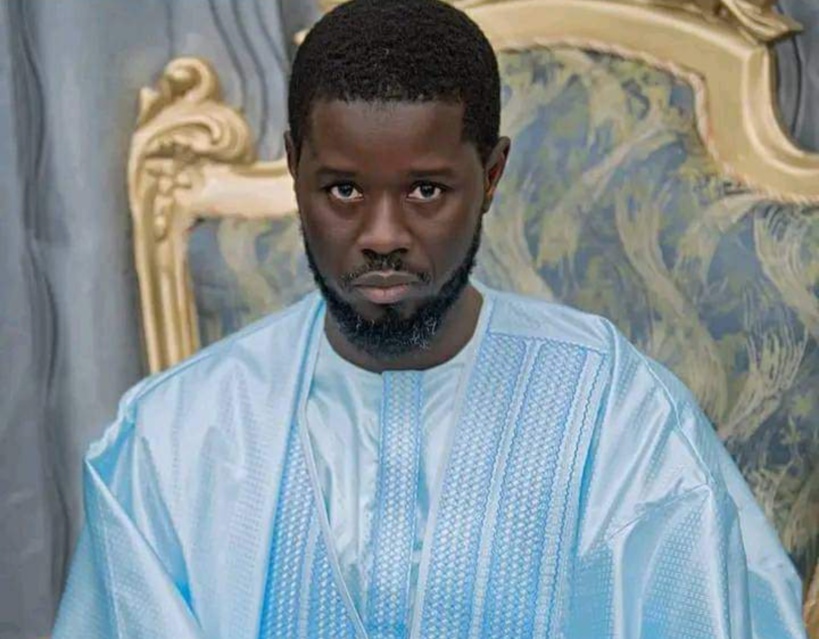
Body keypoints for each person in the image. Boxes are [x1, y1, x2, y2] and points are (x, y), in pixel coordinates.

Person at [52, 0, 806, 637]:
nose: (382, 235)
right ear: (294, 169)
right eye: (344, 190)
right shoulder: (176, 437)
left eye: (425, 192)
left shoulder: (619, 421)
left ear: (491, 175)